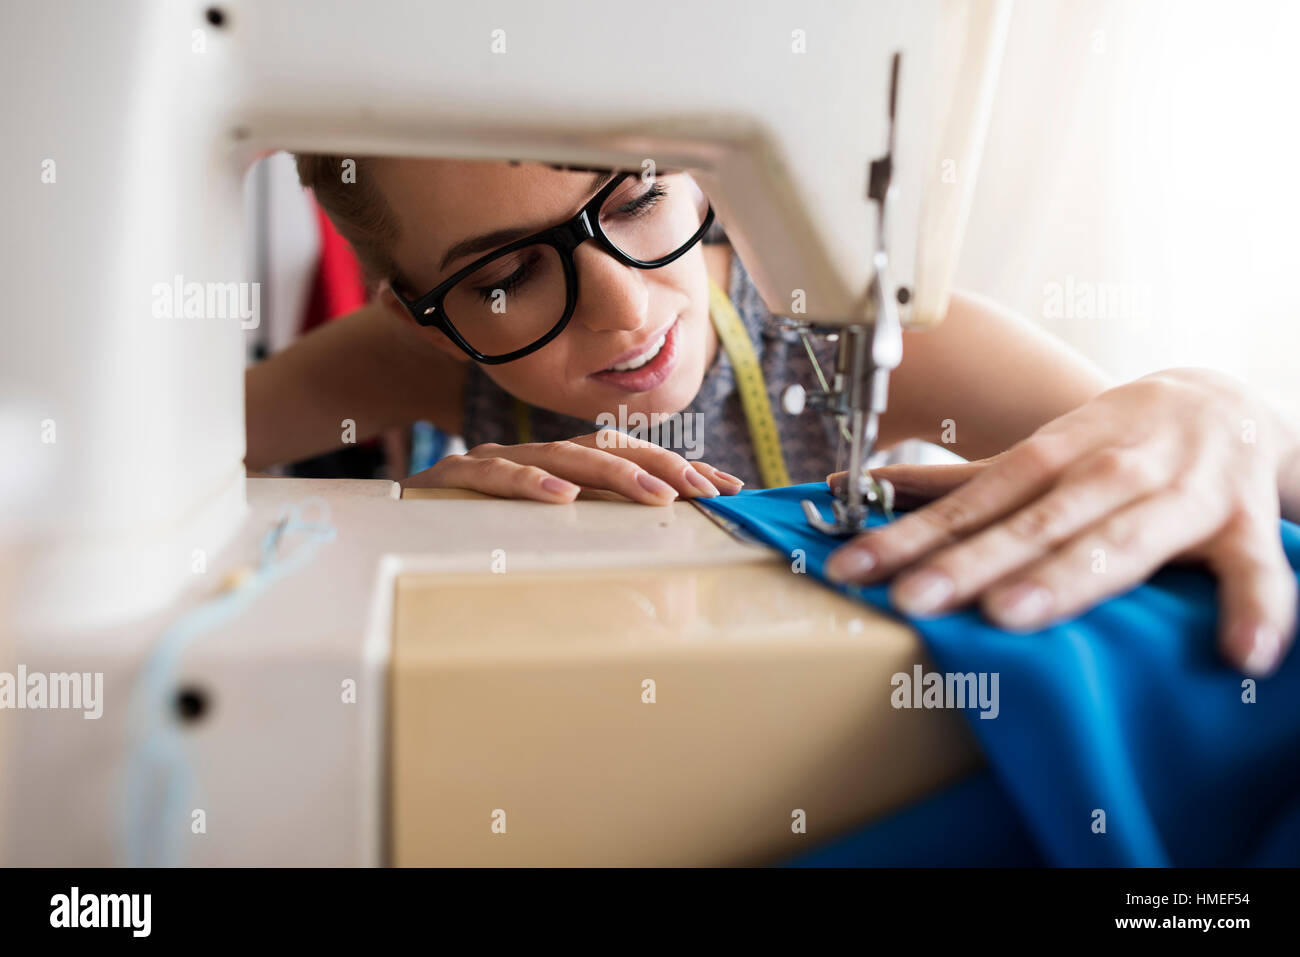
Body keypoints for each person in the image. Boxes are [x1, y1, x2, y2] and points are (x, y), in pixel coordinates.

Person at [247, 155, 1300, 676]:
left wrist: (1222, 412)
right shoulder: (411, 362)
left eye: (635, 201)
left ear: (705, 164)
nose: (623, 309)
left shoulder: (845, 328)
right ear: (425, 321)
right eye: (508, 275)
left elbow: (1222, 470)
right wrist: (382, 526)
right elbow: (126, 484)